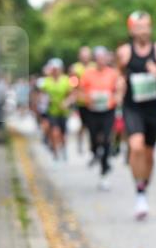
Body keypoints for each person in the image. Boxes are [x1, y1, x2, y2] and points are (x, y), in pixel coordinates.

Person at [116, 11, 156, 219]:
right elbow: (118, 75)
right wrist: (119, 84)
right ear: (131, 30)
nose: (143, 31)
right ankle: (139, 192)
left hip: (152, 107)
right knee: (136, 146)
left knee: (149, 154)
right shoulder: (124, 52)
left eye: (146, 26)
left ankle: (144, 187)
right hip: (132, 106)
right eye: (139, 27)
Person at [78, 46, 120, 190]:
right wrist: (88, 98)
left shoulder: (113, 74)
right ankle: (96, 152)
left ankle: (104, 173)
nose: (101, 61)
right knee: (95, 138)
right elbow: (80, 91)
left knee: (107, 139)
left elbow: (119, 89)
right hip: (92, 110)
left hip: (108, 110)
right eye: (98, 58)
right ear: (95, 59)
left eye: (104, 58)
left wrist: (116, 97)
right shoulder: (87, 74)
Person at [40, 58, 75, 161]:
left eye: (57, 69)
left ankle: (63, 148)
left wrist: (66, 102)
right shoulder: (46, 81)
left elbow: (72, 95)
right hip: (52, 111)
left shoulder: (66, 80)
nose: (55, 71)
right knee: (55, 132)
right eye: (53, 69)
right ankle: (55, 153)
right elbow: (41, 95)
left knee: (63, 134)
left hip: (63, 111)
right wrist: (46, 100)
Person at [70, 45, 95, 155]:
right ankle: (80, 143)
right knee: (84, 124)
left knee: (93, 124)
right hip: (81, 101)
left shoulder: (94, 66)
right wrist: (77, 91)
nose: (85, 57)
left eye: (87, 55)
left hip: (94, 100)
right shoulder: (75, 68)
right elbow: (72, 83)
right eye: (83, 55)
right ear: (79, 56)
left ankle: (93, 145)